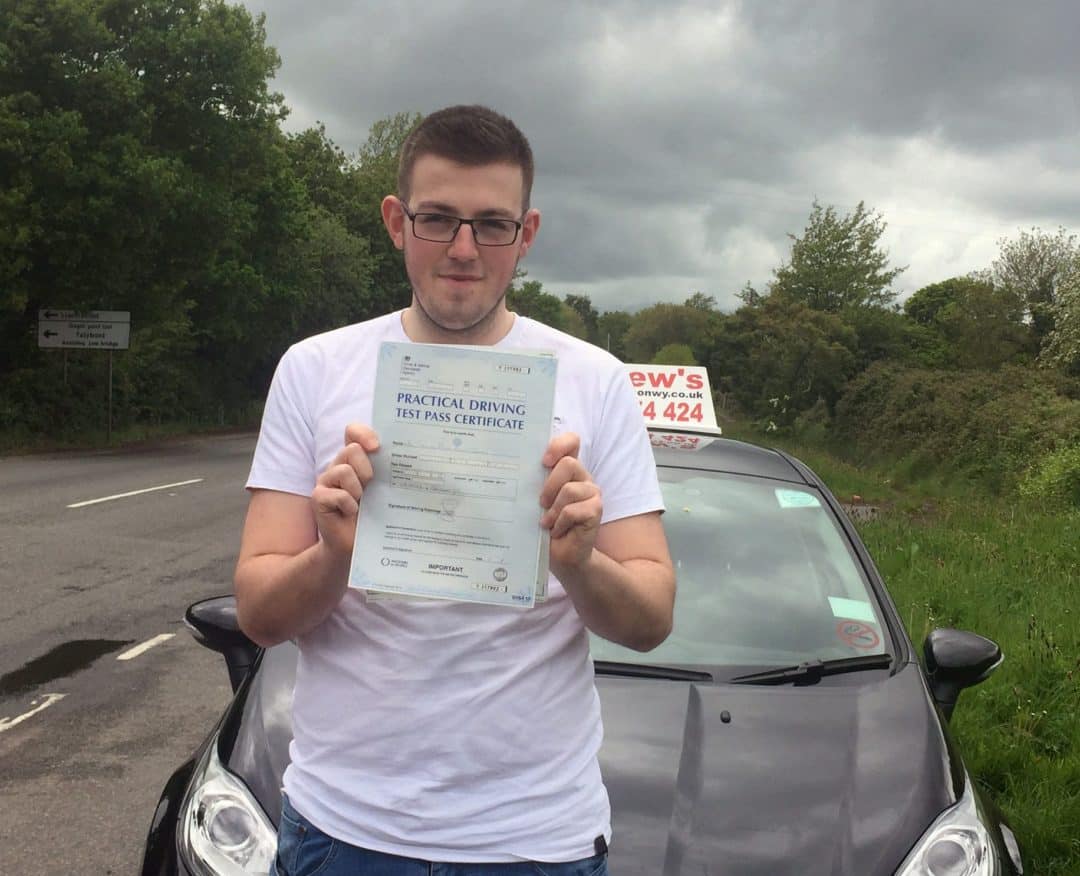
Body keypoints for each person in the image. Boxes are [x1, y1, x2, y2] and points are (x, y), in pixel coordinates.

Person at [234, 104, 675, 876]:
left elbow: (651, 620)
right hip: (346, 827)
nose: (464, 249)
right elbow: (259, 615)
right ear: (395, 221)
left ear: (526, 234)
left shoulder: (595, 380)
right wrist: (333, 555)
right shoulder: (314, 369)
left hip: (537, 840)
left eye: (492, 224)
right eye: (437, 219)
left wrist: (579, 564)